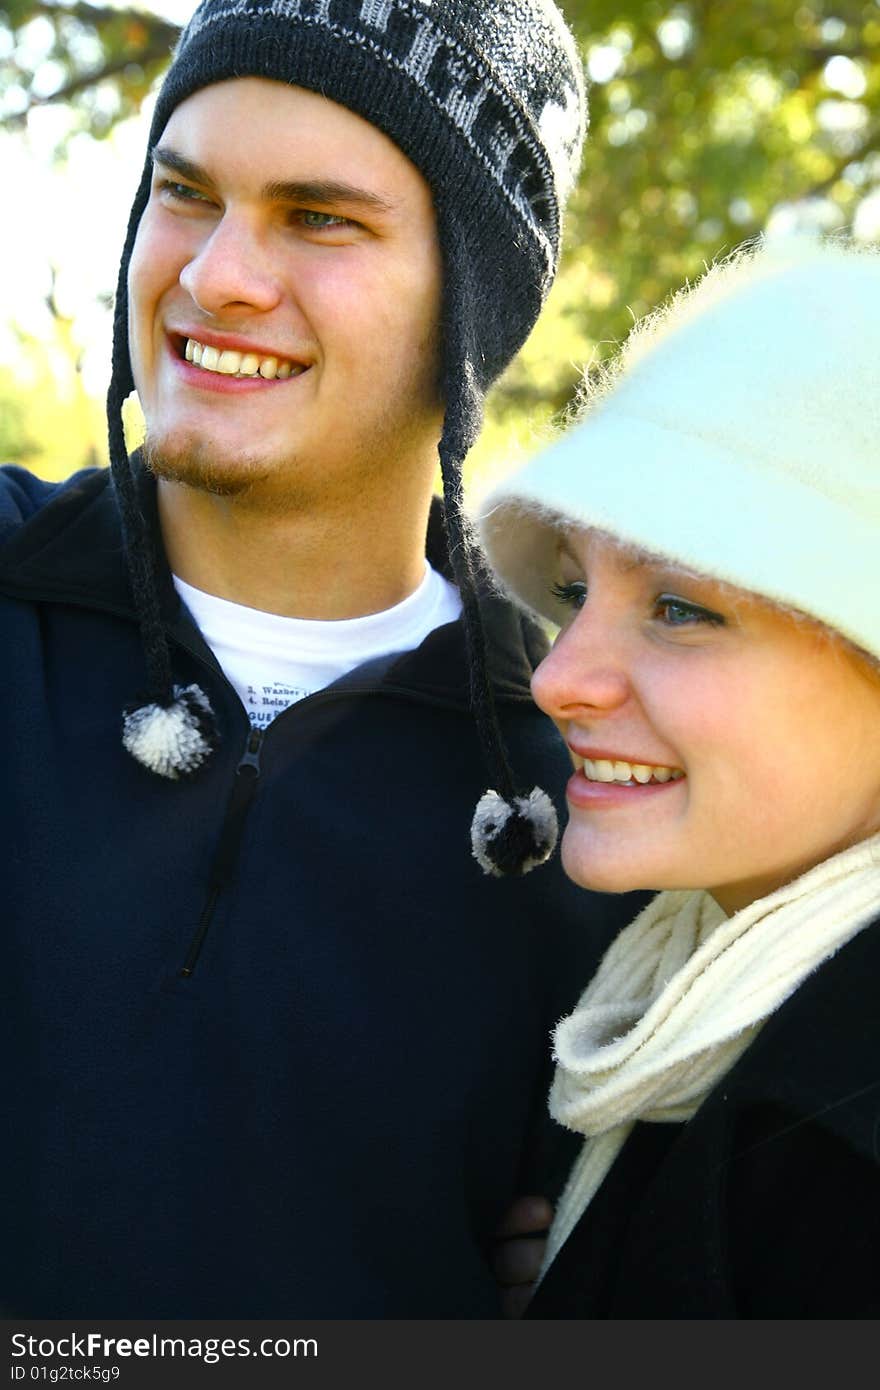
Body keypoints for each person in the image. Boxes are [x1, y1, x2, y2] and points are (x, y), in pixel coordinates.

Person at [0, 0, 643, 1318]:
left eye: (319, 217)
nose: (218, 273)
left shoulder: (595, 775)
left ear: (471, 307)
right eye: (185, 194)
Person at [478, 234, 880, 1317]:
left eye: (680, 607)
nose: (558, 677)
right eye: (573, 593)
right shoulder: (688, 1012)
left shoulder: (842, 1152)